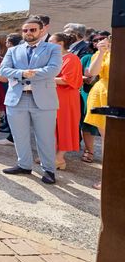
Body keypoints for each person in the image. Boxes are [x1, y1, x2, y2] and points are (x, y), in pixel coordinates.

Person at [0, 17, 62, 184]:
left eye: (32, 30)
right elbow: (3, 69)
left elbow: (54, 69)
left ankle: (49, 170)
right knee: (19, 136)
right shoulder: (13, 50)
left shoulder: (53, 48)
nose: (28, 33)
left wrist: (31, 73)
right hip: (16, 99)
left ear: (41, 31)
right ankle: (24, 165)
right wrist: (21, 74)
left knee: (45, 137)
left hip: (43, 100)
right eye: (25, 30)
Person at [50, 33, 83, 170]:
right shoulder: (55, 58)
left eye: (51, 41)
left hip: (66, 97)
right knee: (52, 127)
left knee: (65, 125)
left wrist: (45, 78)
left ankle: (59, 158)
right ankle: (51, 155)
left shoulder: (71, 58)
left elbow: (66, 80)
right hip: (54, 95)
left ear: (60, 44)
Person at [84, 35, 111, 189]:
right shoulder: (104, 51)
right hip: (103, 94)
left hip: (119, 92)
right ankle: (109, 177)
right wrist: (101, 52)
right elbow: (92, 72)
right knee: (108, 141)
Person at [79, 33, 105, 163]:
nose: (99, 42)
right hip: (87, 92)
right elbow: (82, 74)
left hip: (107, 92)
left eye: (102, 39)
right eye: (96, 40)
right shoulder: (87, 57)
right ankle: (89, 150)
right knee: (87, 123)